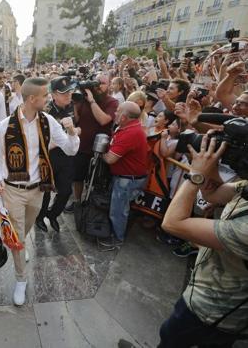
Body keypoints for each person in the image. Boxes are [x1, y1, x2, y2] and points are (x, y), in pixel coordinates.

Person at [0, 77, 80, 306]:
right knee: (17, 237)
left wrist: (71, 132)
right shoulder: (4, 126)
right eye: (45, 95)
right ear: (33, 99)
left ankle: (21, 246)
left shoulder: (49, 121)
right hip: (13, 190)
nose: (48, 98)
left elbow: (71, 150)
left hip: (38, 190)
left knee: (27, 227)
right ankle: (21, 279)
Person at [159, 134, 248, 347]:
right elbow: (214, 195)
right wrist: (211, 166)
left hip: (212, 310)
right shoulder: (245, 186)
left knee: (170, 339)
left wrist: (196, 174)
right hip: (207, 295)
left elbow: (172, 223)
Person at [66, 73, 117, 212]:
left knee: (96, 179)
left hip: (99, 149)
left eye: (103, 83)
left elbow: (104, 120)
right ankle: (77, 202)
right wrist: (75, 104)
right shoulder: (83, 99)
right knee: (78, 177)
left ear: (109, 85)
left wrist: (92, 101)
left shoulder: (111, 102)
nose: (99, 86)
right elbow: (76, 120)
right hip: (82, 145)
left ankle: (91, 203)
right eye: (97, 82)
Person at [102, 101, 148, 247]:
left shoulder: (130, 133)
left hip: (127, 179)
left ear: (123, 117)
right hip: (127, 177)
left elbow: (110, 158)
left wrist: (100, 151)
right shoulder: (129, 127)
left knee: (118, 211)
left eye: (118, 111)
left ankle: (117, 239)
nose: (115, 113)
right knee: (119, 208)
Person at [36, 76, 77, 233]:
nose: (68, 95)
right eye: (64, 93)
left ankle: (53, 215)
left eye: (69, 92)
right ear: (53, 95)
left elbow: (74, 127)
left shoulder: (71, 106)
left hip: (66, 156)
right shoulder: (45, 111)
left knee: (66, 191)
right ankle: (39, 218)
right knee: (45, 191)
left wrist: (75, 131)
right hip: (48, 157)